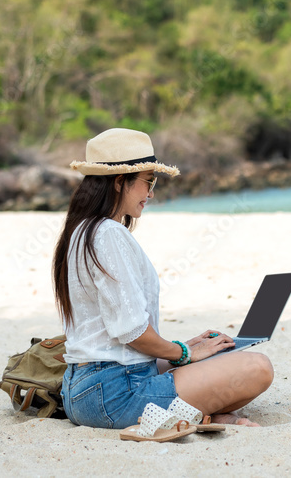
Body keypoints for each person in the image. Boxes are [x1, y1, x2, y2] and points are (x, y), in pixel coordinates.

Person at [52, 128, 273, 430]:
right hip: (113, 395)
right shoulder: (108, 234)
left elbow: (115, 341)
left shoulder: (81, 231)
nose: (151, 193)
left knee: (214, 357)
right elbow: (132, 332)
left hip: (85, 390)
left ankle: (202, 412)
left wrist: (184, 349)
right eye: (148, 181)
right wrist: (184, 353)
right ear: (120, 182)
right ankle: (202, 413)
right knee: (258, 368)